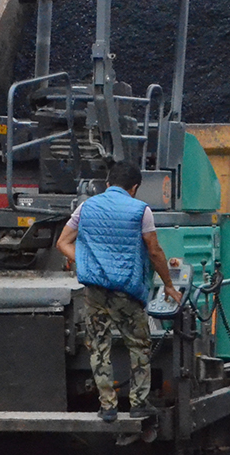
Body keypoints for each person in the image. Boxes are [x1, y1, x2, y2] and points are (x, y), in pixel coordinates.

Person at [55, 162, 181, 437]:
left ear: (108, 182)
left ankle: (107, 407)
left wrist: (85, 262)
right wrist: (168, 285)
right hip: (127, 292)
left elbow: (63, 243)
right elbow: (154, 250)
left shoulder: (86, 207)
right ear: (134, 187)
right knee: (138, 345)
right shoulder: (141, 211)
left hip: (95, 291)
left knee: (98, 346)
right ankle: (138, 404)